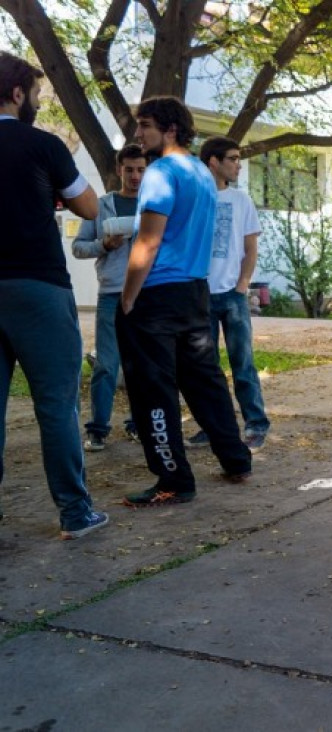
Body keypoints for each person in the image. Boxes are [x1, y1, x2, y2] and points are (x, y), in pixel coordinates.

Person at [116, 96, 252, 507]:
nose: (138, 134)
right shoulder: (199, 172)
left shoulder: (160, 173)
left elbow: (148, 240)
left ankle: (173, 479)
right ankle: (236, 459)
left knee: (153, 390)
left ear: (170, 128)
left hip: (158, 295)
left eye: (145, 125)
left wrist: (127, 296)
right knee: (204, 380)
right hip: (195, 291)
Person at [0, 51, 108, 538]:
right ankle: (75, 512)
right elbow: (88, 204)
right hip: (38, 286)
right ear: (18, 93)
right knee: (56, 403)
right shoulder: (42, 144)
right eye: (37, 93)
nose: (39, 101)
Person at [187, 136, 269, 450]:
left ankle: (256, 424)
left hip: (232, 296)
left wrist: (242, 285)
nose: (238, 164)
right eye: (232, 159)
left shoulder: (241, 201)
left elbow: (250, 249)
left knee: (242, 363)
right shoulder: (194, 198)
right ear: (213, 162)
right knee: (205, 369)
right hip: (200, 296)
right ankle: (213, 427)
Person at [72, 144, 148, 451]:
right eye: (129, 169)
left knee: (142, 364)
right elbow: (79, 247)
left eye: (141, 170)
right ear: (119, 170)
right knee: (106, 364)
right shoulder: (102, 205)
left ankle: (138, 424)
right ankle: (98, 430)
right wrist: (104, 244)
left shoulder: (152, 207)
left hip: (146, 294)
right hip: (110, 295)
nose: (135, 176)